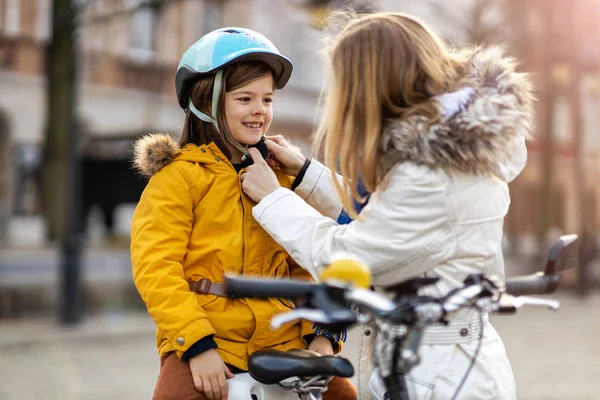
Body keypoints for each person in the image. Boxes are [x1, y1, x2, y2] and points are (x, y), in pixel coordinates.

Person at [240, 12, 534, 400]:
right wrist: (306, 174)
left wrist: (274, 199)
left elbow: (347, 257)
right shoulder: (443, 158)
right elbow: (389, 217)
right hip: (445, 364)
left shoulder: (432, 177)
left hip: (438, 377)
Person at [130, 27, 357, 400]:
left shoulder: (281, 178)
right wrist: (197, 347)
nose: (260, 110)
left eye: (267, 99)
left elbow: (311, 260)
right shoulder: (178, 179)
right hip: (210, 339)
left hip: (284, 338)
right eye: (245, 98)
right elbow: (155, 269)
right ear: (207, 101)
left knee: (344, 395)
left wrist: (322, 335)